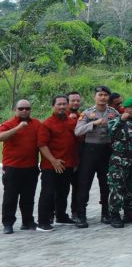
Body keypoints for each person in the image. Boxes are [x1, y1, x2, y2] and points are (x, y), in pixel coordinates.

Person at [72, 86, 120, 227]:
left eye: (105, 95)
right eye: (100, 95)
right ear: (95, 97)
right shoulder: (87, 113)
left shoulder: (113, 112)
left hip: (106, 150)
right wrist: (94, 123)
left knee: (106, 184)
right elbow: (78, 131)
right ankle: (81, 216)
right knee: (84, 184)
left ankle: (106, 214)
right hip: (90, 150)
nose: (103, 97)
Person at [35, 94, 77, 230]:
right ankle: (43, 221)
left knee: (63, 192)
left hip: (68, 164)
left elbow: (76, 142)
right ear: (53, 106)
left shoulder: (71, 122)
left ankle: (61, 216)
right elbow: (42, 144)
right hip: (50, 165)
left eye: (64, 104)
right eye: (59, 104)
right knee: (48, 193)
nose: (62, 107)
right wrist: (53, 161)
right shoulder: (46, 124)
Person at [1, 99, 41, 234]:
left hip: (31, 167)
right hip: (12, 167)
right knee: (10, 198)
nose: (24, 111)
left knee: (28, 197)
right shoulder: (8, 124)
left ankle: (28, 222)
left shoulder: (36, 123)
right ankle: (8, 224)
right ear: (15, 110)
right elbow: (1, 137)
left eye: (27, 108)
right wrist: (18, 128)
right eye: (21, 108)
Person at [106, 96, 132, 228]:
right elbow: (109, 133)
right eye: (130, 108)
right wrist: (120, 121)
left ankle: (129, 213)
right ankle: (114, 215)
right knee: (117, 189)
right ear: (124, 109)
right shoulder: (115, 120)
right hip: (119, 161)